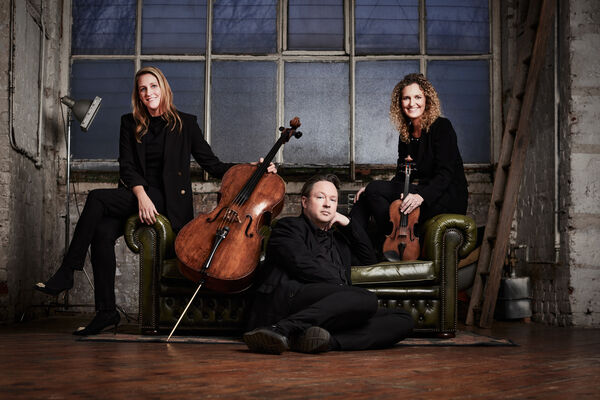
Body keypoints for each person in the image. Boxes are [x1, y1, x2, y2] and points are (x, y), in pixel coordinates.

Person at [35, 66, 275, 336]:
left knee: (95, 198)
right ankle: (106, 312)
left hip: (168, 199)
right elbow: (126, 166)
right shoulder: (130, 123)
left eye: (153, 86)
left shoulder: (185, 123)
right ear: (138, 95)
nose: (149, 92)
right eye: (142, 89)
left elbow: (214, 165)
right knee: (102, 233)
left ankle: (68, 270)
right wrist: (141, 197)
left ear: (164, 88)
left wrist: (256, 168)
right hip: (138, 194)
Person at [243, 174, 414, 354]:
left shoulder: (339, 241)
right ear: (304, 202)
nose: (327, 204)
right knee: (365, 298)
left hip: (328, 311)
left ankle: (318, 340)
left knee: (403, 319)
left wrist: (348, 223)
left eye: (333, 199)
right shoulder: (288, 227)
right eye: (320, 197)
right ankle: (280, 329)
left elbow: (369, 261)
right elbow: (302, 265)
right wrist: (344, 291)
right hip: (292, 300)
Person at [350, 73, 468, 258]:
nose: (412, 103)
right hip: (421, 192)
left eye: (417, 97)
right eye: (406, 98)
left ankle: (381, 241)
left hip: (445, 197)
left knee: (374, 189)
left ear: (427, 100)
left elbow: (446, 174)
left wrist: (420, 196)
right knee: (366, 195)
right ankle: (356, 250)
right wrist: (373, 189)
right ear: (400, 103)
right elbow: (402, 175)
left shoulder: (442, 127)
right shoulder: (406, 134)